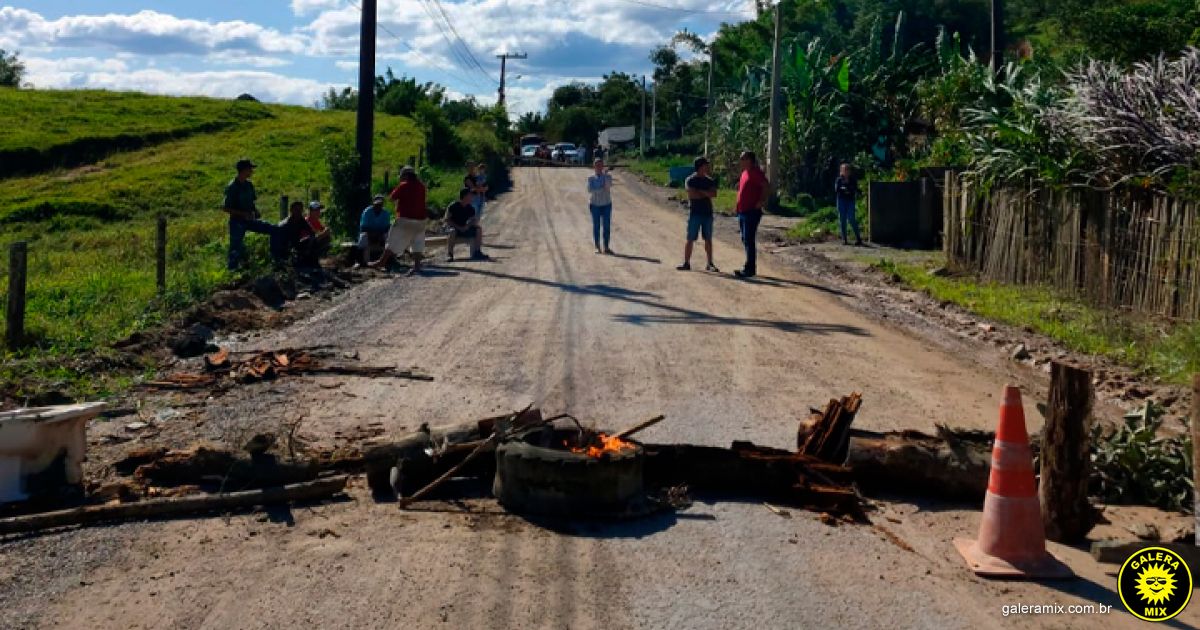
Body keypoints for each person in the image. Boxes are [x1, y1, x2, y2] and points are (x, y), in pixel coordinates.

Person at [222, 158, 281, 270]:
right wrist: (243, 213)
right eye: (250, 169)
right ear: (244, 170)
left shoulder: (249, 185)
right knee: (235, 248)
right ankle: (231, 273)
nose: (252, 171)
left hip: (250, 219)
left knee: (274, 229)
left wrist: (255, 211)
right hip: (237, 222)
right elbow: (225, 208)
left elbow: (251, 202)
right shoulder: (232, 187)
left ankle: (276, 260)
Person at [370, 166, 428, 275]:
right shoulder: (422, 186)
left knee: (392, 240)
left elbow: (392, 198)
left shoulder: (403, 186)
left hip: (404, 219)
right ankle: (417, 266)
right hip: (420, 219)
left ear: (405, 176)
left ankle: (381, 262)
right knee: (417, 241)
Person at [678, 156, 719, 272]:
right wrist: (705, 193)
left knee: (708, 239)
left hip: (707, 213)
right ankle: (686, 262)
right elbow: (692, 195)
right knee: (690, 238)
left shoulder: (709, 180)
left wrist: (700, 192)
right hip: (695, 213)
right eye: (706, 165)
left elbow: (714, 194)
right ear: (700, 166)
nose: (708, 167)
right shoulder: (690, 180)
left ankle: (710, 263)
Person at [734, 150, 768, 279]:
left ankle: (750, 268)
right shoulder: (744, 173)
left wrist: (761, 201)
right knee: (745, 238)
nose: (740, 161)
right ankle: (749, 266)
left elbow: (766, 186)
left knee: (749, 239)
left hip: (751, 211)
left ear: (750, 160)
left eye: (743, 159)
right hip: (743, 211)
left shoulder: (755, 173)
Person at [444, 187, 487, 261]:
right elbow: (447, 220)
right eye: (470, 195)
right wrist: (458, 227)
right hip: (454, 228)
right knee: (452, 231)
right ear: (465, 196)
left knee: (478, 229)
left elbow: (474, 220)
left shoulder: (470, 208)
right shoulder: (453, 206)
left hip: (465, 228)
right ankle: (450, 254)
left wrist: (467, 226)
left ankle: (477, 252)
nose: (472, 197)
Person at [279, 200, 325, 267]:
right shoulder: (286, 224)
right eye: (296, 210)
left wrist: (311, 242)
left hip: (296, 244)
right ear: (291, 211)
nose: (299, 212)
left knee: (313, 240)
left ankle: (312, 262)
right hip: (286, 247)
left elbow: (311, 231)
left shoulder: (301, 220)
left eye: (300, 209)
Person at [587, 158, 614, 254]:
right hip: (595, 205)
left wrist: (605, 176)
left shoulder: (608, 176)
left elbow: (608, 186)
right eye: (597, 165)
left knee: (606, 226)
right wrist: (600, 188)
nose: (599, 167)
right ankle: (597, 246)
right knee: (596, 226)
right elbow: (590, 190)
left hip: (606, 204)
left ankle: (606, 247)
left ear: (603, 166)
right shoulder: (590, 178)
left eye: (601, 165)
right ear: (594, 167)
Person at [356, 194, 392, 266]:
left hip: (381, 233)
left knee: (389, 236)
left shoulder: (386, 213)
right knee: (363, 237)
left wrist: (379, 235)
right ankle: (361, 261)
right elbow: (363, 228)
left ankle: (389, 260)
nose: (378, 206)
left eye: (380, 204)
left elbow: (387, 227)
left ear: (382, 204)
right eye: (376, 204)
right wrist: (372, 234)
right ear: (373, 203)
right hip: (369, 233)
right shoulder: (367, 212)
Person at [834, 162, 864, 246]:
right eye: (844, 170)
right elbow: (837, 190)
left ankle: (858, 238)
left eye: (847, 170)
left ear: (849, 171)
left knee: (851, 218)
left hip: (850, 200)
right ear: (841, 171)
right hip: (841, 200)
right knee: (842, 219)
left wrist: (845, 189)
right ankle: (844, 239)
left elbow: (854, 189)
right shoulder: (839, 180)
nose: (846, 172)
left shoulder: (853, 180)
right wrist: (846, 189)